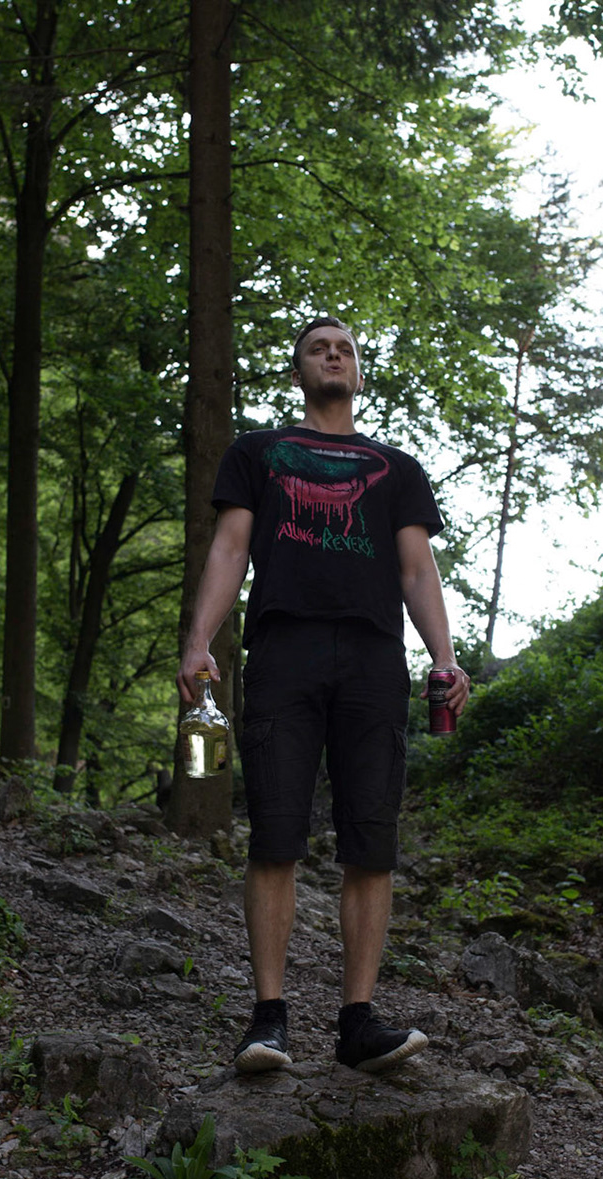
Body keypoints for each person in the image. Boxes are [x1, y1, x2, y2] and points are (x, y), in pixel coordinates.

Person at [176, 315, 471, 1074]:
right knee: (275, 834)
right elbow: (230, 549)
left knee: (371, 842)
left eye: (344, 349)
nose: (332, 356)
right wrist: (200, 641)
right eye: (318, 348)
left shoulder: (396, 468)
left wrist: (444, 657)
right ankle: (268, 1021)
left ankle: (357, 1024)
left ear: (358, 373)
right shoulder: (257, 452)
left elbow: (416, 569)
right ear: (298, 371)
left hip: (374, 660)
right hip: (283, 651)